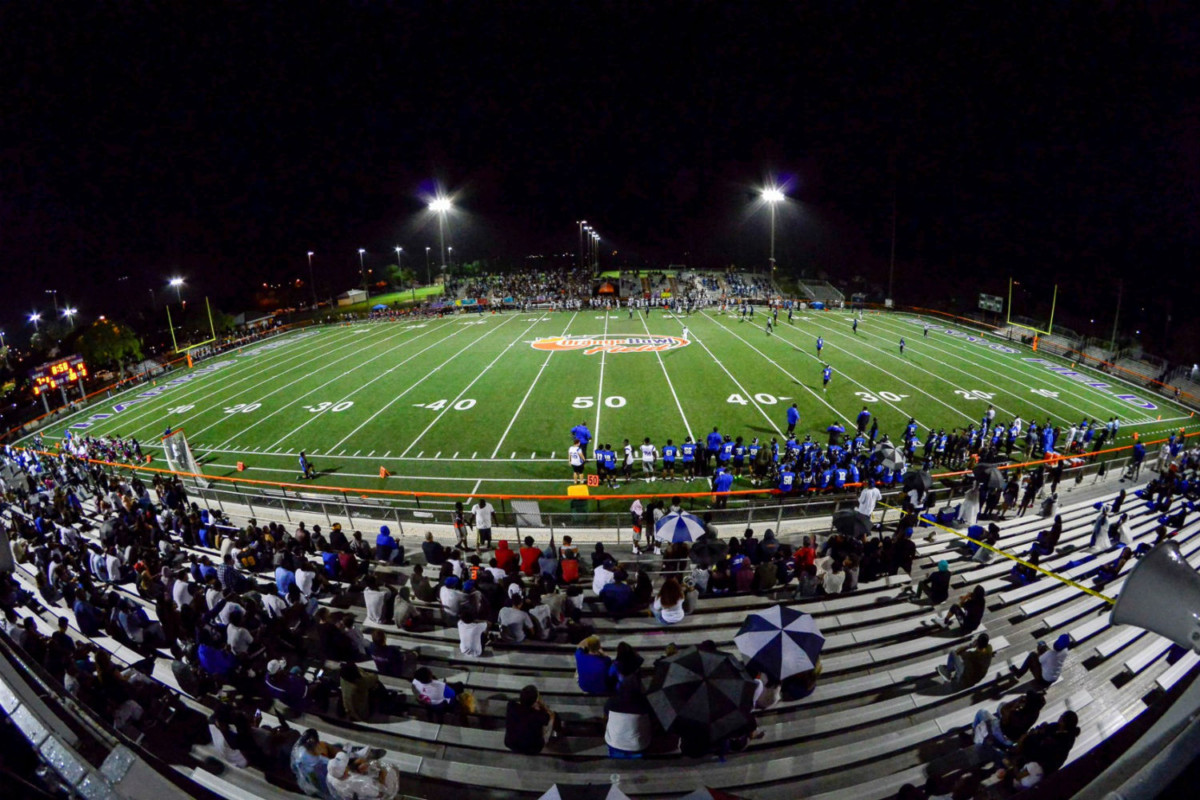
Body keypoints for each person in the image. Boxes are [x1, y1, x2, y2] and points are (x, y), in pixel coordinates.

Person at [604, 680, 654, 758]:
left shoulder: (611, 702)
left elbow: (606, 714)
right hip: (638, 746)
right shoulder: (644, 703)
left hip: (614, 743)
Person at [325, 750, 401, 800]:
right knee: (391, 771)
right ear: (345, 772)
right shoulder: (361, 782)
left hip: (348, 794)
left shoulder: (330, 775)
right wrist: (381, 771)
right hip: (369, 794)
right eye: (346, 764)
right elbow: (380, 794)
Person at [504, 685, 557, 755]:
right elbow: (549, 715)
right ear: (535, 702)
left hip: (511, 743)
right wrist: (542, 705)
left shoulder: (511, 705)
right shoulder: (538, 714)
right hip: (532, 749)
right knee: (552, 717)